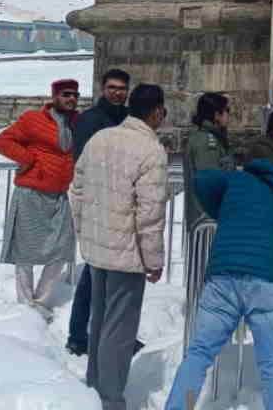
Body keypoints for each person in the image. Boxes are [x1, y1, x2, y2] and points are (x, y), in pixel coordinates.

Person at [163, 156, 273, 410]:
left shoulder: (236, 180)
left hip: (223, 277)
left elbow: (202, 179)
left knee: (199, 354)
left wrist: (221, 209)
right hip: (266, 281)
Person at [70, 84, 169, 410]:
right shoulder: (149, 150)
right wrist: (153, 259)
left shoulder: (100, 139)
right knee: (119, 330)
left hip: (99, 248)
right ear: (156, 112)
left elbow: (78, 189)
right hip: (127, 253)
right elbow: (150, 212)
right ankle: (110, 399)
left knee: (99, 322)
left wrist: (85, 231)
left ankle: (93, 390)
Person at [0, 79, 81, 320]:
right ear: (54, 97)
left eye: (74, 94)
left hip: (59, 194)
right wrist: (27, 159)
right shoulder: (33, 120)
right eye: (66, 94)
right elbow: (2, 141)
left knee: (63, 248)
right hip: (31, 191)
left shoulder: (77, 123)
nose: (71, 98)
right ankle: (25, 302)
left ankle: (41, 299)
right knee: (25, 251)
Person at [66, 69, 132, 357]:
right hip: (98, 202)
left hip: (118, 201)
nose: (118, 92)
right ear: (103, 88)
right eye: (112, 87)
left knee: (105, 271)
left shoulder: (127, 119)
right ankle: (79, 334)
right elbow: (82, 161)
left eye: (122, 88)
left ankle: (95, 334)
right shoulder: (91, 120)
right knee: (95, 270)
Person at [183, 93, 236, 233]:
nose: (228, 116)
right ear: (216, 115)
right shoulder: (207, 142)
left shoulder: (215, 139)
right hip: (207, 222)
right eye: (227, 111)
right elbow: (209, 185)